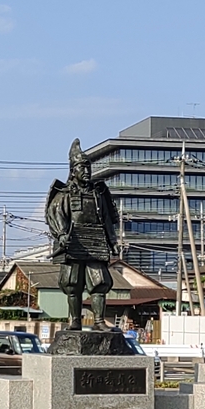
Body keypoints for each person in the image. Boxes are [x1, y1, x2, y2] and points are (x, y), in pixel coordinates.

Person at [45, 139, 120, 331]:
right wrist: (61, 234)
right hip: (73, 242)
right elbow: (56, 213)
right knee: (73, 284)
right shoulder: (65, 194)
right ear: (73, 170)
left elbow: (107, 220)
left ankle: (99, 321)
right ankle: (75, 320)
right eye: (81, 167)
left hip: (96, 241)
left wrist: (113, 241)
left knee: (99, 283)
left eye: (88, 167)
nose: (86, 171)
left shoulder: (99, 194)